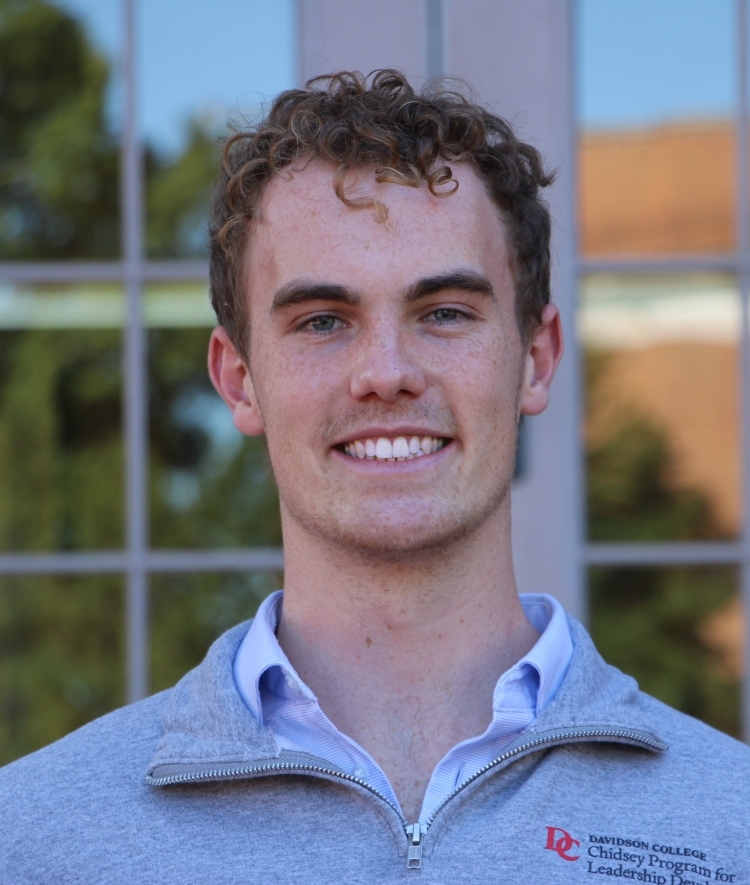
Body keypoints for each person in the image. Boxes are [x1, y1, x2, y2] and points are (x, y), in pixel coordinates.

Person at [1, 70, 748, 884]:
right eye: (323, 321)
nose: (386, 372)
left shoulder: (730, 825)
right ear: (238, 377)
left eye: (445, 313)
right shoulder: (34, 838)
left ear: (534, 358)